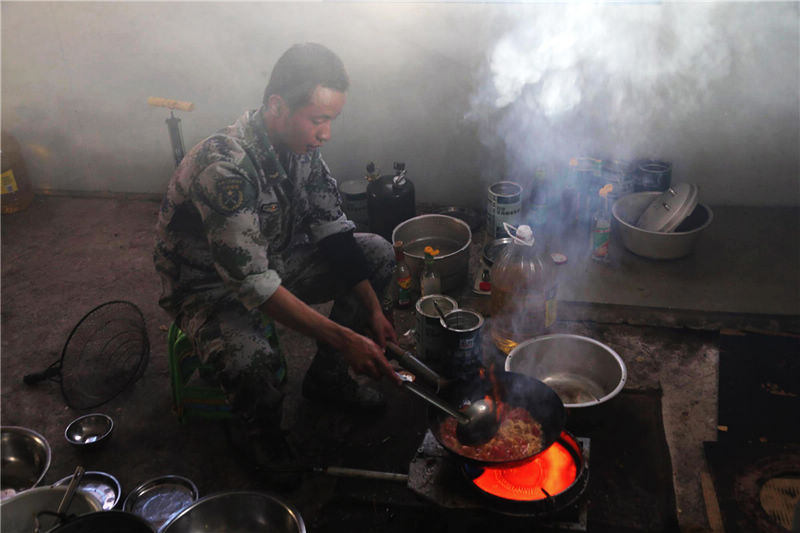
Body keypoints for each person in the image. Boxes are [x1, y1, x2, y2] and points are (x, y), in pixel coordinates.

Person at [153, 43, 400, 468]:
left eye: (331, 121)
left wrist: (373, 311)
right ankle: (263, 441)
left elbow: (332, 228)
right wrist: (346, 339)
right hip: (208, 286)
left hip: (272, 261)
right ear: (277, 105)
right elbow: (251, 284)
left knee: (375, 254)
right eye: (318, 120)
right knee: (255, 362)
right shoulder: (225, 168)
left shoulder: (299, 149)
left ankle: (328, 380)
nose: (326, 134)